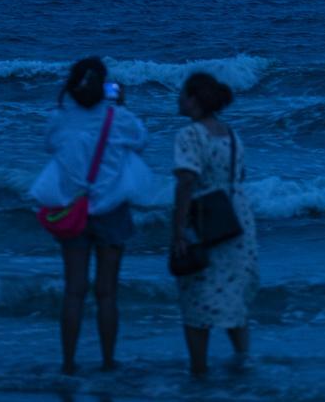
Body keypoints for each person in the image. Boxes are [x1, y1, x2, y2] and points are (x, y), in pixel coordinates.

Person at [32, 58, 150, 375]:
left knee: (74, 291)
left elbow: (48, 147)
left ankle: (68, 364)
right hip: (111, 210)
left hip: (72, 211)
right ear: (104, 86)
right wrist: (121, 103)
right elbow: (141, 141)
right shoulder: (119, 117)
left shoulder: (59, 118)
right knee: (107, 293)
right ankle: (108, 362)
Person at [171, 72, 259, 376]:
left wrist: (179, 231)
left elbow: (186, 182)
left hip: (205, 222)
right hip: (238, 221)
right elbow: (240, 177)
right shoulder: (231, 135)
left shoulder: (189, 135)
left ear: (194, 100)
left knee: (197, 300)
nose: (178, 98)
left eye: (183, 93)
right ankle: (243, 365)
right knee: (234, 298)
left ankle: (199, 374)